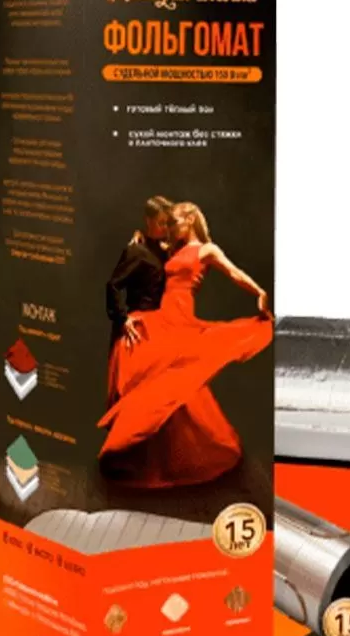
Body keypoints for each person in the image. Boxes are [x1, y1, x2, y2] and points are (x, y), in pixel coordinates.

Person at [98, 201, 273, 488]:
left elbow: (233, 272)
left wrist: (259, 291)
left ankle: (183, 452)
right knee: (159, 378)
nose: (169, 228)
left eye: (174, 223)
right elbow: (151, 251)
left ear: (190, 219)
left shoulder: (207, 250)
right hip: (161, 318)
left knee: (177, 377)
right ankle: (150, 452)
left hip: (180, 318)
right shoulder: (172, 250)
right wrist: (138, 238)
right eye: (167, 224)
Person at [106, 196, 173, 355]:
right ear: (149, 221)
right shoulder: (137, 251)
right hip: (142, 325)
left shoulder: (166, 250)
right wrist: (122, 319)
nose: (165, 228)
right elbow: (113, 285)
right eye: (161, 223)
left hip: (162, 324)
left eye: (168, 224)